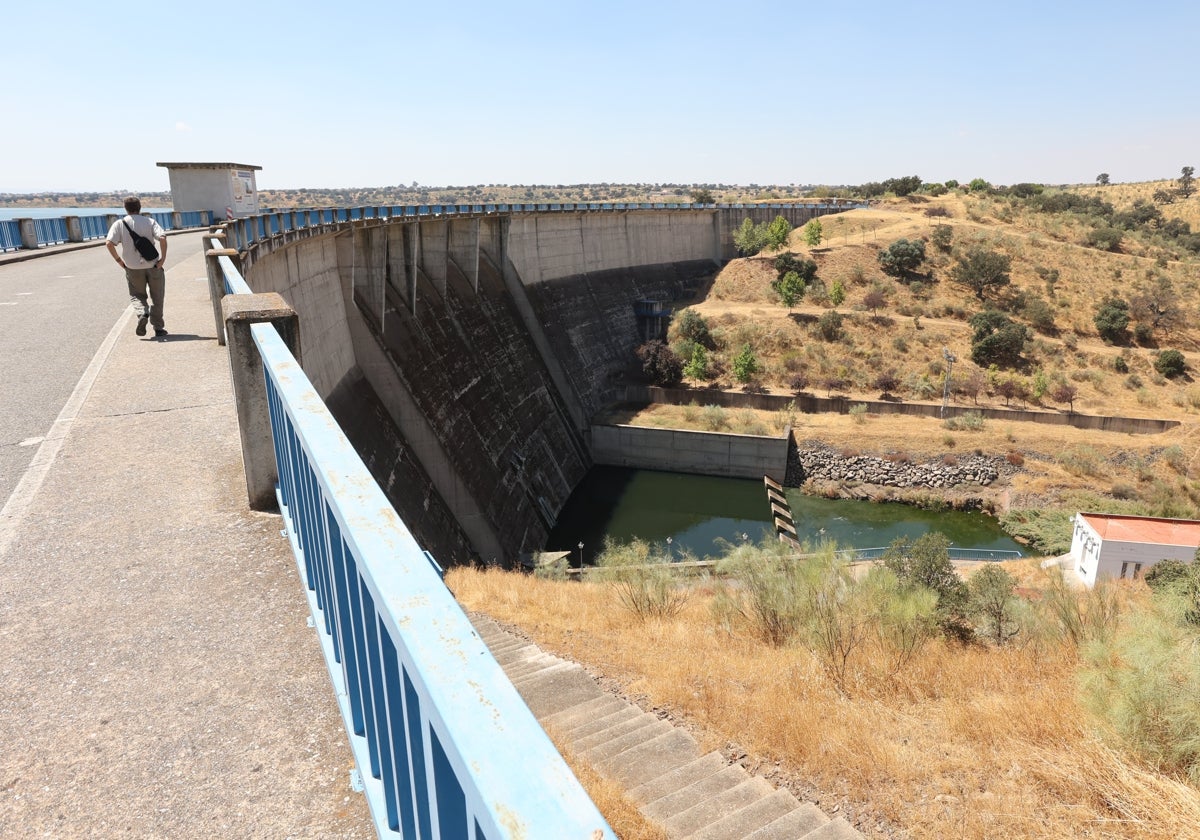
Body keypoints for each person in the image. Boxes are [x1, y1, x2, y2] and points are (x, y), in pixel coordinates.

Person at [105, 196, 168, 338]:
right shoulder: (150, 221)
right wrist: (163, 259)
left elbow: (109, 243)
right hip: (154, 265)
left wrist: (119, 261)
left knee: (137, 295)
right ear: (140, 207)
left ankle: (142, 313)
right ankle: (158, 328)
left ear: (125, 208)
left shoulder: (119, 224)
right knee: (157, 297)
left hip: (132, 267)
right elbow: (163, 238)